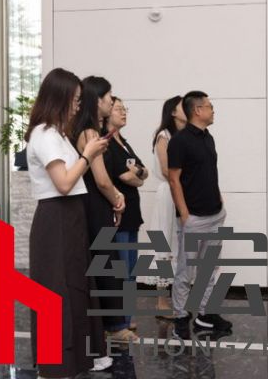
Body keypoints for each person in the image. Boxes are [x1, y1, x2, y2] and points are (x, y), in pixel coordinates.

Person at [25, 68, 109, 378]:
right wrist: (87, 155)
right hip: (56, 217)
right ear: (59, 98)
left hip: (70, 215)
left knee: (75, 286)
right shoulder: (45, 134)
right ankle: (57, 364)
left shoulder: (58, 134)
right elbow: (63, 183)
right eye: (74, 100)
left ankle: (77, 360)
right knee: (56, 289)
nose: (78, 106)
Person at [70, 76, 138, 344]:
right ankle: (115, 327)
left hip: (98, 203)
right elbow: (101, 179)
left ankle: (110, 325)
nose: (112, 101)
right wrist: (117, 198)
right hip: (95, 204)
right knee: (106, 264)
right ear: (97, 100)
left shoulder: (94, 130)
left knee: (107, 264)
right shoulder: (89, 132)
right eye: (109, 96)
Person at [168, 90, 232, 339]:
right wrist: (184, 214)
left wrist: (219, 198)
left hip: (215, 214)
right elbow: (174, 179)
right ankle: (180, 316)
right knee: (186, 272)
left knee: (209, 269)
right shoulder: (179, 141)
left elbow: (209, 171)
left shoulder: (208, 137)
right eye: (209, 106)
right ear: (197, 110)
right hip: (193, 217)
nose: (213, 110)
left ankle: (206, 315)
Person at [137, 96, 186, 317]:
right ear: (173, 112)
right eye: (182, 106)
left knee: (180, 244)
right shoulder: (163, 136)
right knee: (164, 243)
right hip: (170, 192)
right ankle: (161, 300)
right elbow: (167, 170)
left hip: (184, 190)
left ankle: (178, 296)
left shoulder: (185, 136)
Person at [105, 96, 148, 331]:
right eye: (118, 109)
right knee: (121, 271)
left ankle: (128, 317)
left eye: (125, 109)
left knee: (131, 271)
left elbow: (143, 172)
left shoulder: (124, 143)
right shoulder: (106, 142)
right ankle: (119, 321)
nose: (123, 113)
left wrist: (136, 173)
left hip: (132, 214)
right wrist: (136, 174)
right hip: (117, 215)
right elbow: (124, 176)